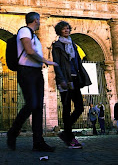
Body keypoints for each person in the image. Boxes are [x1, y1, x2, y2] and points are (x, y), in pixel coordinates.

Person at [7, 12, 58, 152]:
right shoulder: (24, 31)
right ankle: (13, 131)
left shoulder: (34, 35)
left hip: (36, 72)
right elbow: (28, 50)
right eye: (39, 20)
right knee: (32, 104)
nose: (40, 22)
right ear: (36, 20)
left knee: (37, 107)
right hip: (26, 71)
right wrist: (45, 60)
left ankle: (38, 142)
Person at [52, 20, 91, 149]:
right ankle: (69, 137)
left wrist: (83, 76)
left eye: (68, 28)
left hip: (75, 78)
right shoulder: (57, 46)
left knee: (80, 106)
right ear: (59, 31)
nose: (66, 30)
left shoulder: (73, 45)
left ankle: (66, 132)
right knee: (67, 107)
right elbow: (57, 64)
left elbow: (77, 62)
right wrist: (61, 79)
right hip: (65, 79)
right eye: (64, 29)